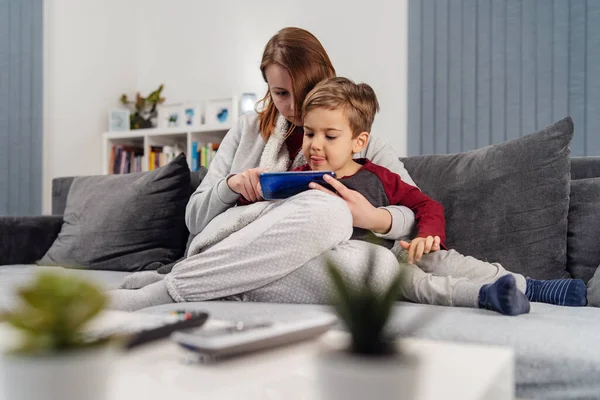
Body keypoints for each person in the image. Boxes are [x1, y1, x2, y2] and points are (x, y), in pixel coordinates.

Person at [109, 27, 585, 312]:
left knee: (377, 261)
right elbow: (196, 222)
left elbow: (412, 209)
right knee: (329, 215)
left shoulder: (359, 136)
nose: (293, 109)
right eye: (278, 94)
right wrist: (232, 187)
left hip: (338, 253)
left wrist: (372, 217)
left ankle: (519, 287)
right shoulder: (247, 133)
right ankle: (177, 288)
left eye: (302, 91)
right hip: (236, 239)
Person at [291, 76, 588, 314]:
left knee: (447, 262)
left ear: (359, 141)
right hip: (370, 269)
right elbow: (261, 212)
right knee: (419, 284)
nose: (315, 145)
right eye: (309, 133)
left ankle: (535, 287)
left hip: (402, 249)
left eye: (329, 136)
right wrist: (246, 183)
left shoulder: (377, 176)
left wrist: (427, 235)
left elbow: (425, 204)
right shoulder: (296, 180)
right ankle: (486, 296)